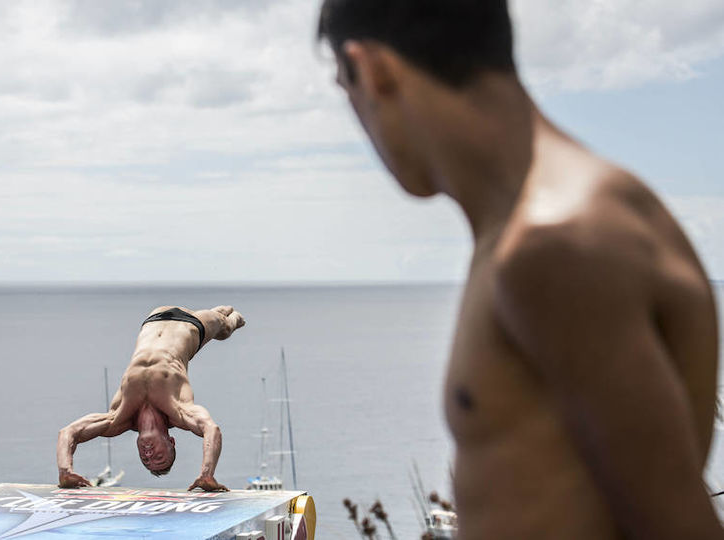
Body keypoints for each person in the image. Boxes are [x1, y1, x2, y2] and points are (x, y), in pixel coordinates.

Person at [317, 1, 721, 538]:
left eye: (349, 96)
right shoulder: (554, 219)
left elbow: (678, 525)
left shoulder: (555, 243)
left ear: (372, 69)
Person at [56, 305, 245, 492]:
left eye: (145, 459)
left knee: (218, 320)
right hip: (191, 326)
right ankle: (235, 317)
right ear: (171, 442)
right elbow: (211, 429)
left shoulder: (117, 418)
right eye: (159, 457)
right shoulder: (179, 410)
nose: (149, 454)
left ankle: (220, 311)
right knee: (226, 327)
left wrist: (65, 471)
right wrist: (206, 474)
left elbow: (69, 432)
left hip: (155, 319)